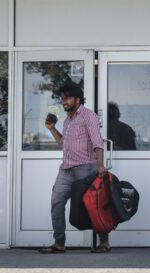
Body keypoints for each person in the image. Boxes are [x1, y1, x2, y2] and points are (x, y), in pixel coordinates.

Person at [38, 83, 111, 253]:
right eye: (63, 98)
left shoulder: (88, 116)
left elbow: (97, 142)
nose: (65, 101)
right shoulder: (68, 121)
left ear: (78, 99)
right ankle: (59, 243)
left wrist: (100, 165)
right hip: (66, 169)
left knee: (93, 204)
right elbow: (63, 143)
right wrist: (52, 128)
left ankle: (104, 242)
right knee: (56, 201)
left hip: (86, 168)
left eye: (68, 98)